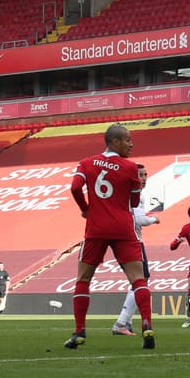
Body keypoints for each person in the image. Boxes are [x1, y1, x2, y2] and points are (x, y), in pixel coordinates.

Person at [64, 123, 155, 350]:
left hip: (96, 228)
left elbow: (75, 187)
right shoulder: (131, 168)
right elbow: (134, 202)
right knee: (138, 279)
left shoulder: (85, 163)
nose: (131, 144)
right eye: (127, 140)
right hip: (123, 228)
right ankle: (147, 325)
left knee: (83, 279)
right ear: (114, 142)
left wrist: (85, 208)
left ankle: (79, 331)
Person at [112, 165, 160, 335]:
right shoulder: (136, 194)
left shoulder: (123, 193)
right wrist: (154, 219)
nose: (144, 178)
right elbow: (140, 220)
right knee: (142, 280)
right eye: (140, 175)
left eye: (146, 174)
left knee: (136, 281)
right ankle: (121, 322)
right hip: (133, 241)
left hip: (120, 240)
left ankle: (127, 321)